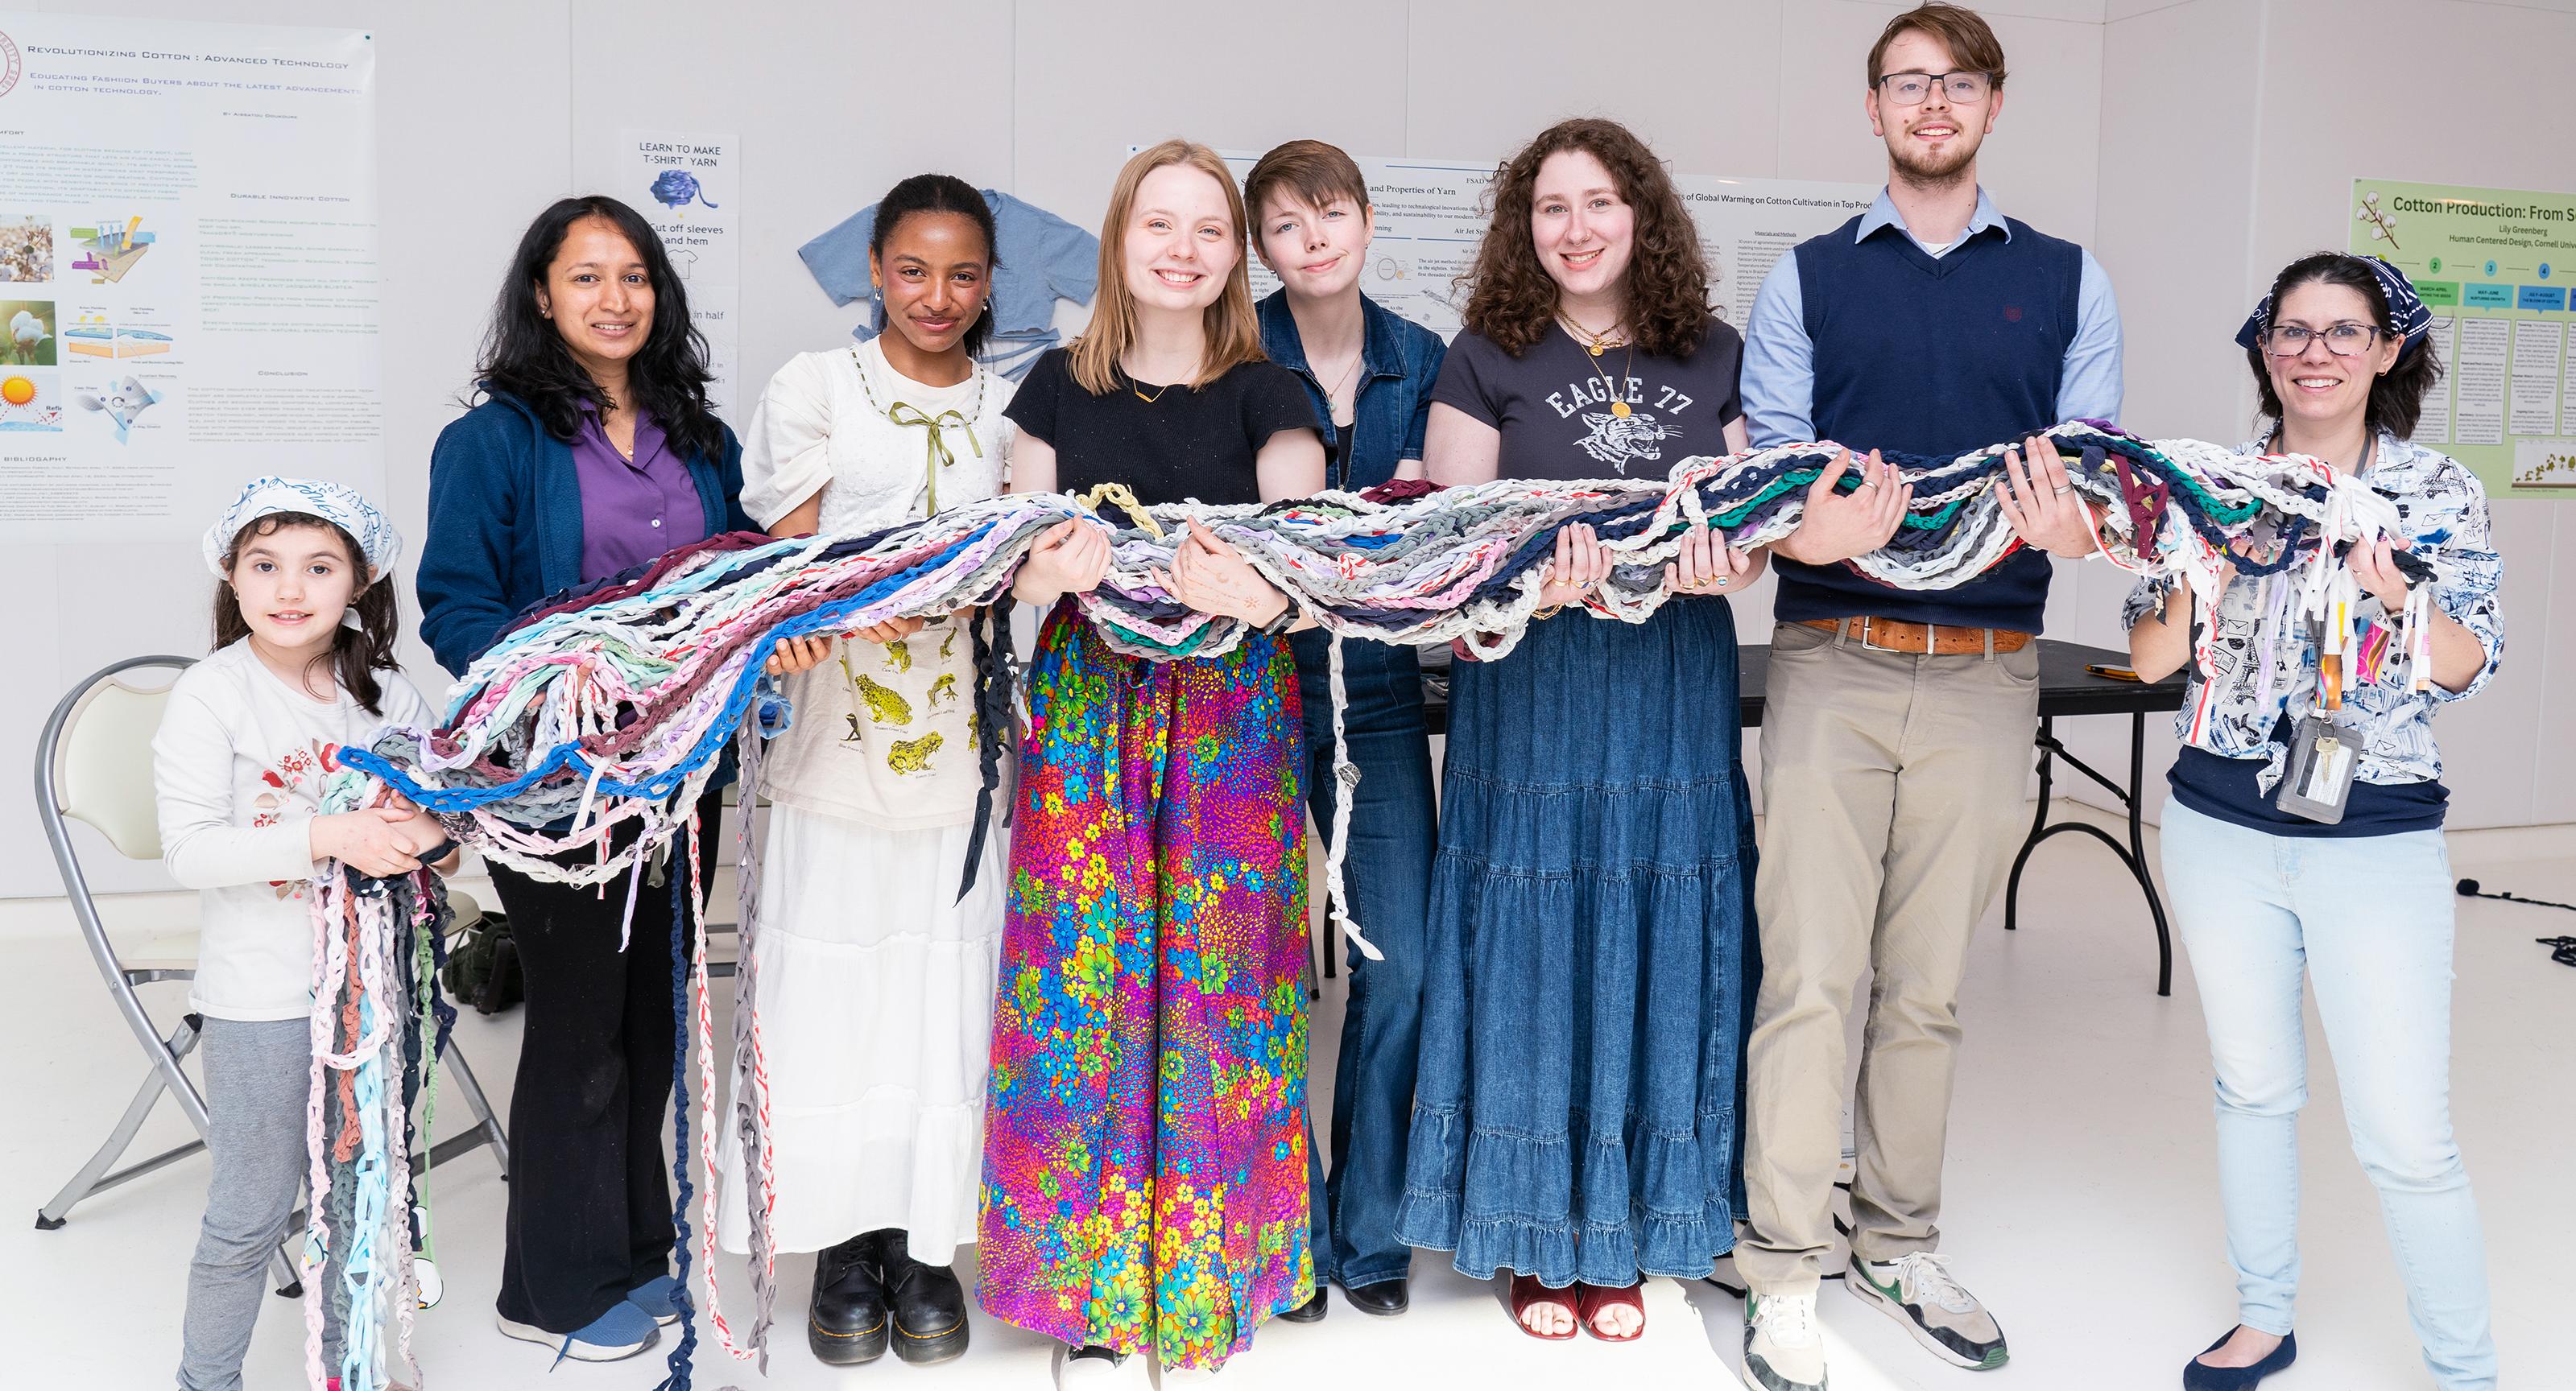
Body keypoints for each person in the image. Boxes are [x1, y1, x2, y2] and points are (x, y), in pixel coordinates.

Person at [1731, 6, 2123, 1385]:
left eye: (1955, 82)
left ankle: (1895, 1239)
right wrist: (1805, 534)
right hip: (1832, 665)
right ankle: (1780, 1268)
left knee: (1928, 990)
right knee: (1807, 979)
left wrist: (2080, 532)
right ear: (1873, 106)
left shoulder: (2070, 280)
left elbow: (2090, 483)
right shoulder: (1806, 280)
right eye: (1908, 82)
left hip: (1983, 676)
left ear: (1991, 104)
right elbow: (1772, 486)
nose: (1931, 102)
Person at [1399, 115, 1765, 1346]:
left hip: (1669, 679)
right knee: (1532, 933)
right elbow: (1447, 545)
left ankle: (1638, 1228)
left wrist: (1727, 560)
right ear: (1523, 228)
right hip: (1536, 683)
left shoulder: (1710, 352)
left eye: (1598, 202)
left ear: (1640, 215)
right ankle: (1522, 1237)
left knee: (1660, 925)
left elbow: (1748, 533)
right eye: (1549, 207)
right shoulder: (1483, 354)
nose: (1575, 227)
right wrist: (1516, 577)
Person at [975, 138, 1326, 1386]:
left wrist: (1266, 591)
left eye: (1207, 231)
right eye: (1156, 226)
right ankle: (1085, 1277)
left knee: (1224, 980)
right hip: (1087, 714)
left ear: (1233, 256)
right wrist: (1041, 573)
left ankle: (1213, 1270)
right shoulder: (1051, 390)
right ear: (1121, 239)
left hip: (1231, 715)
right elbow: (1010, 559)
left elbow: (1311, 576)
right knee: (1083, 979)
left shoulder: (1270, 396)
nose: (1180, 250)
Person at [2127, 253, 2500, 1391]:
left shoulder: (2435, 492)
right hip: (2217, 826)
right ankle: (2263, 1315)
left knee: (2402, 1135)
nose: (2313, 353)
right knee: (2250, 1088)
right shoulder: (2205, 482)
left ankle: (2462, 1369)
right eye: (2290, 331)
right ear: (2263, 349)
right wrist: (2199, 558)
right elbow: (2148, 658)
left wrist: (2400, 595)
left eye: (2343, 332)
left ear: (2387, 351)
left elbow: (2466, 665)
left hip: (2371, 836)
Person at [417, 194, 754, 1363]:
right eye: (586, 277)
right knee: (578, 1031)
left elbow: (735, 570)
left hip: (678, 772)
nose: (615, 299)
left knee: (653, 1021)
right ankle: (549, 1289)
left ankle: (630, 1251)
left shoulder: (699, 437)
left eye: (635, 277)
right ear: (542, 297)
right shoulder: (492, 441)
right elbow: (455, 602)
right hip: (559, 784)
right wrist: (562, 688)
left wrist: (777, 613)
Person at [717, 172, 1015, 1368]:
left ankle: (922, 1237)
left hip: (968, 744)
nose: (934, 296)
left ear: (989, 282)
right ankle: (840, 1245)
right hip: (832, 733)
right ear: (874, 272)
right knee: (829, 988)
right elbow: (794, 566)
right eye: (910, 270)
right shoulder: (813, 386)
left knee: (942, 988)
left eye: (960, 274)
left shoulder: (1013, 403)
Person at [157, 478, 453, 1391]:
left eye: (319, 567)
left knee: (371, 1195)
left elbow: (445, 828)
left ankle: (358, 1366)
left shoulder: (389, 696)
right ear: (232, 580)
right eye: (266, 565)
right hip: (261, 998)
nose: (290, 589)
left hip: (377, 996)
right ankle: (207, 1380)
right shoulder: (214, 695)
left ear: (359, 584)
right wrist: (335, 836)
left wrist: (426, 834)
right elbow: (192, 853)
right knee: (250, 1208)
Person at [1243, 137, 1447, 1322]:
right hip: (1248, 689)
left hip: (1370, 690)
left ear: (1366, 222)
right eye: (1283, 223)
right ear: (1261, 247)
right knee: (1259, 968)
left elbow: (1429, 538)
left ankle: (1365, 1231)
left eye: (1328, 214)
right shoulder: (1233, 352)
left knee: (1400, 960)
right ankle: (1280, 1232)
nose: (1311, 239)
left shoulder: (1420, 358)